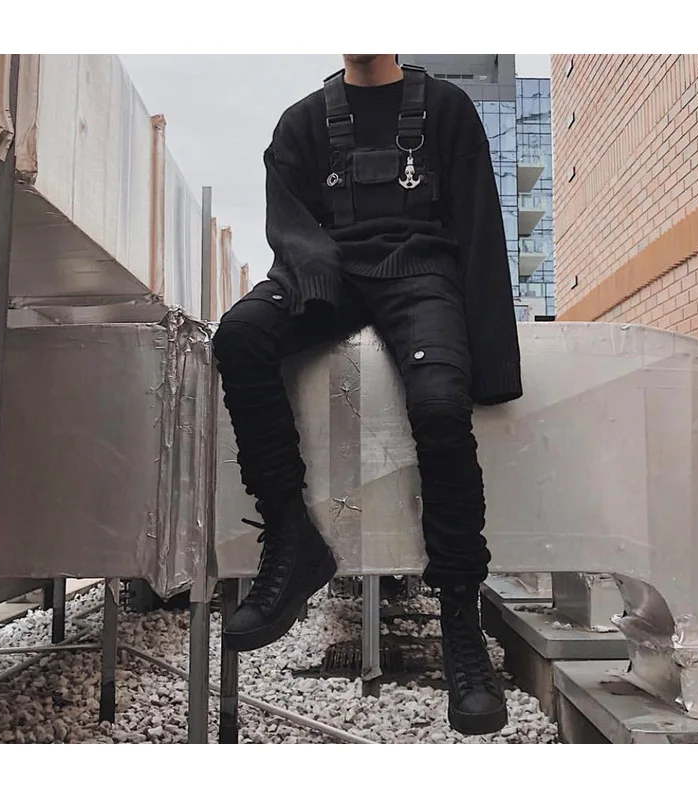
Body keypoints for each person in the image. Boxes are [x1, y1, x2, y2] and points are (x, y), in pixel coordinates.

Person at [212, 54, 522, 736]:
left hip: (422, 275)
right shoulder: (300, 124)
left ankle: (461, 621)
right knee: (240, 335)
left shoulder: (446, 110)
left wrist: (494, 365)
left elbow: (478, 228)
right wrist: (319, 274)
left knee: (440, 405)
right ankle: (292, 540)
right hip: (328, 276)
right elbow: (287, 223)